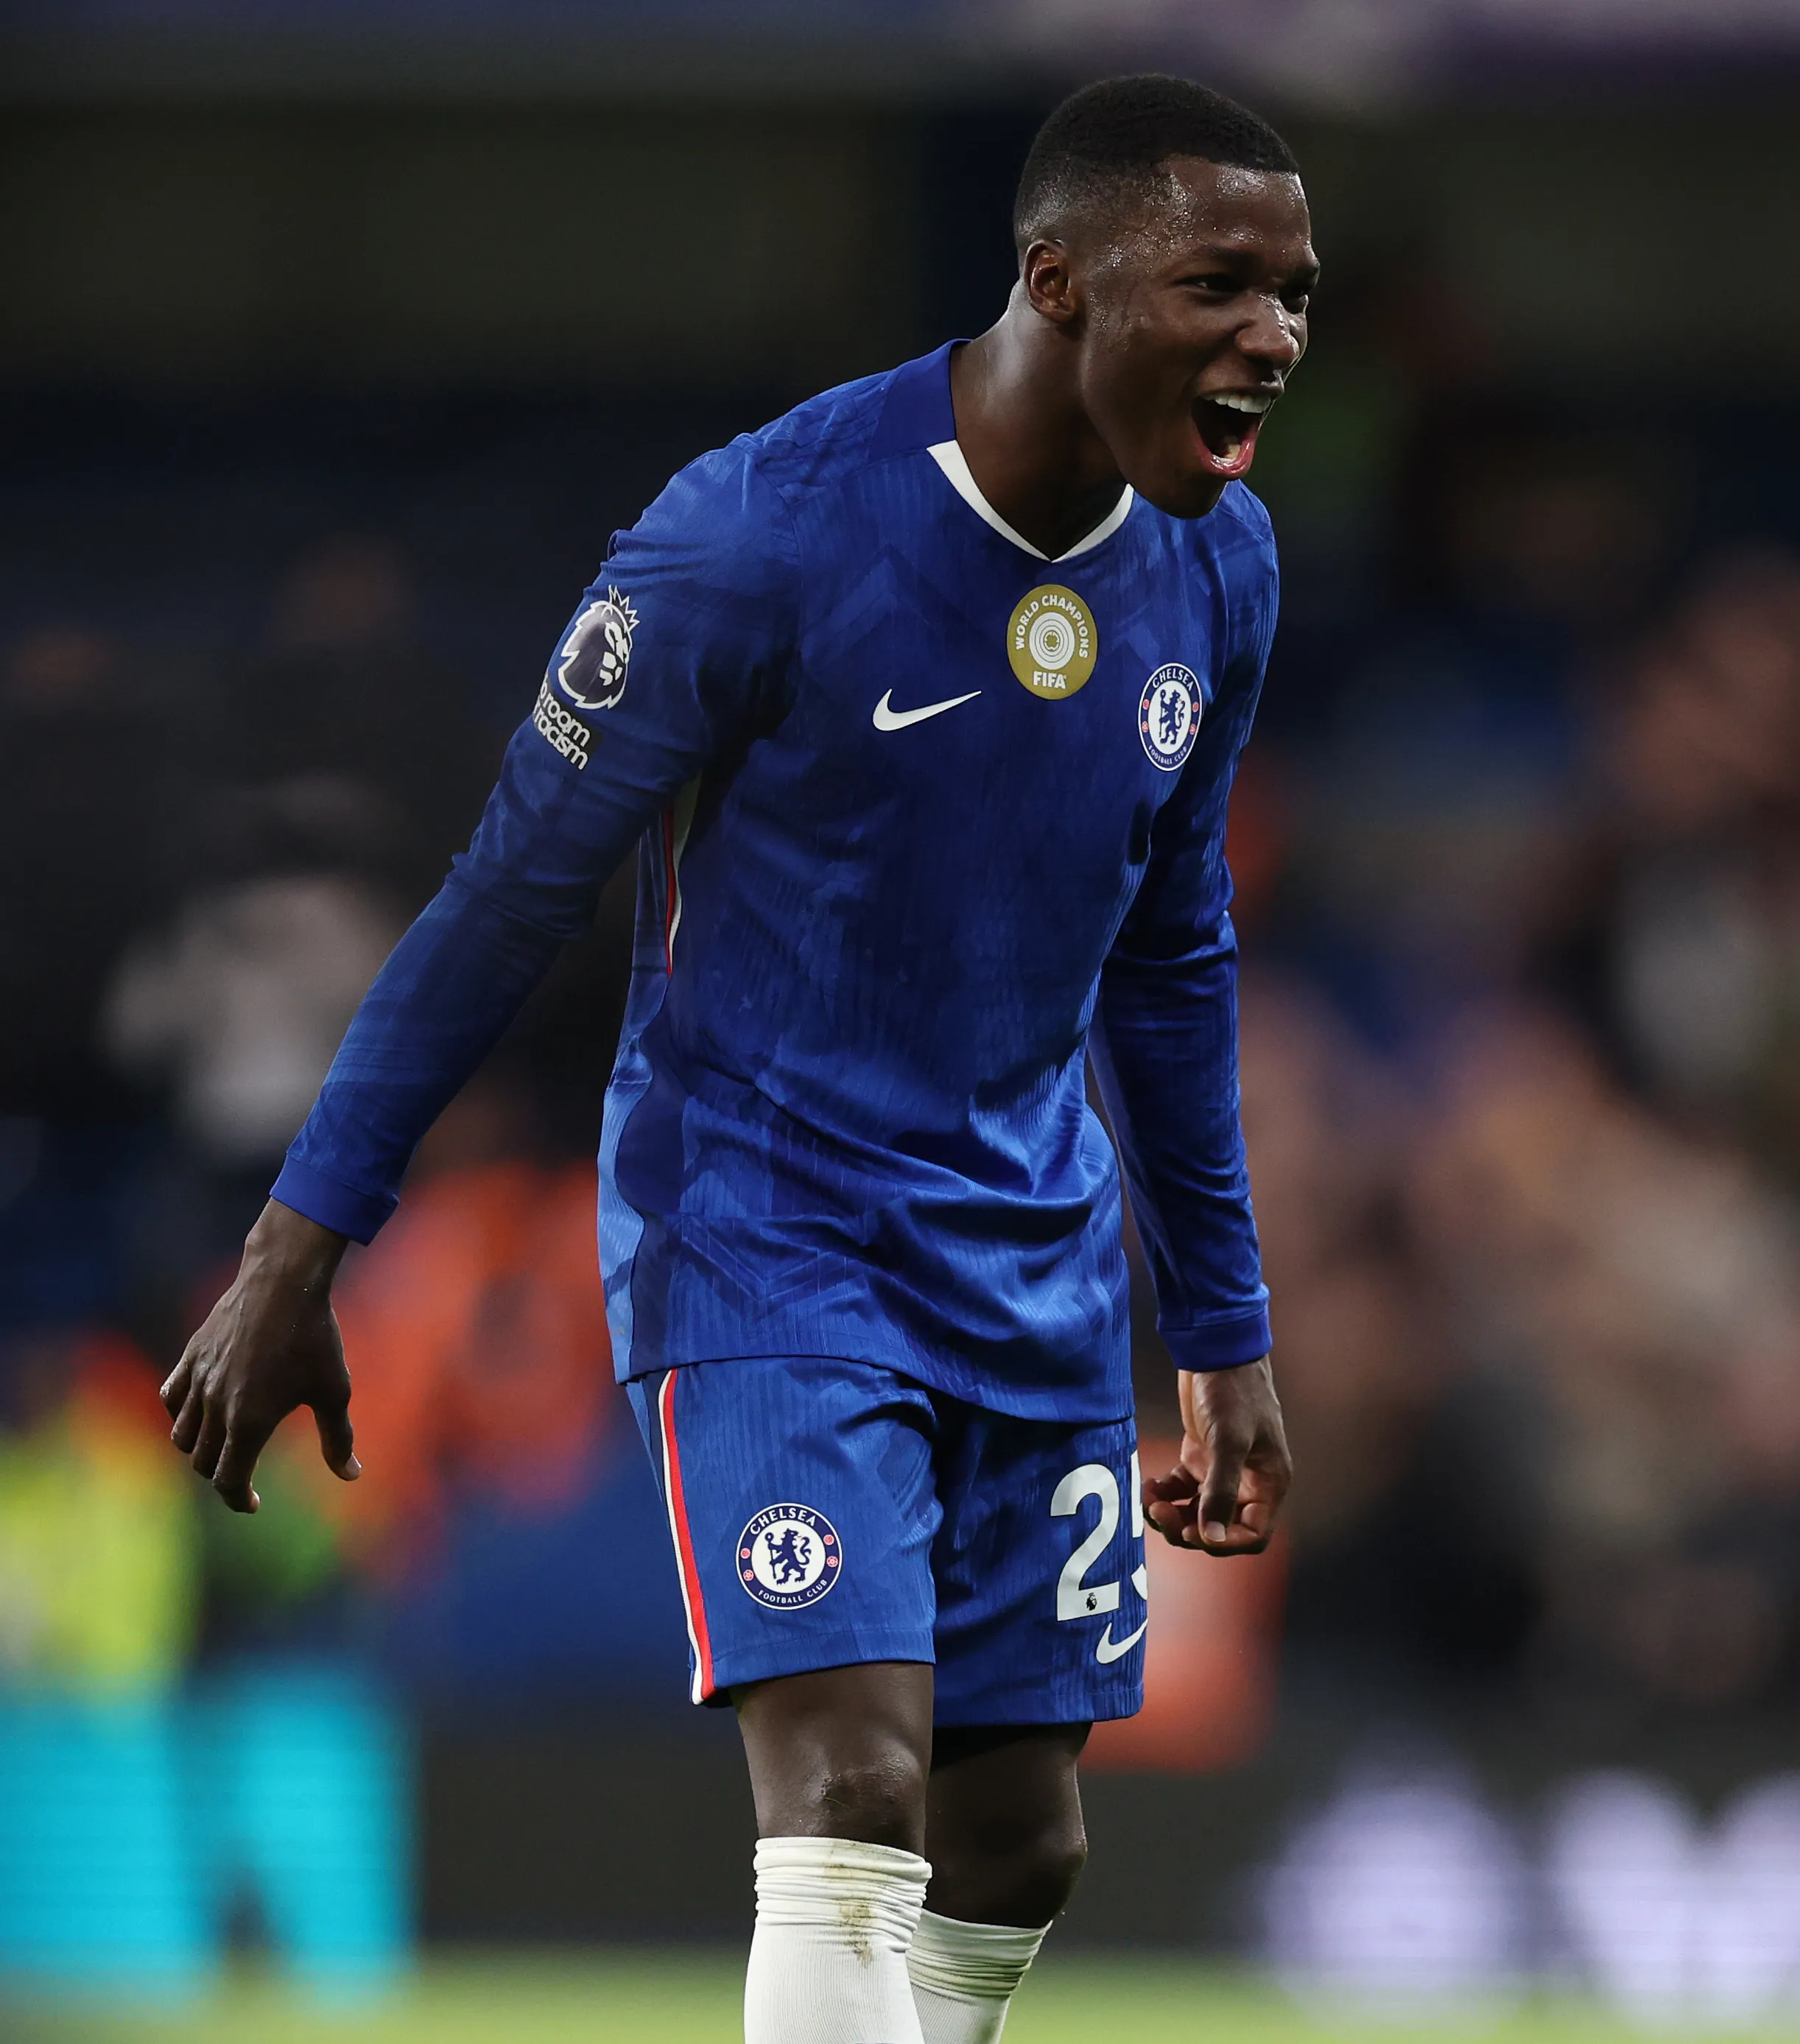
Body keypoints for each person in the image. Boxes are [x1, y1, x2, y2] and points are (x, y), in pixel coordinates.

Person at [158, 74, 1315, 2044]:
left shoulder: (1223, 570)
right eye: (1219, 286)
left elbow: (1171, 952)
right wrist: (297, 1248)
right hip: (765, 1235)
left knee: (1016, 1845)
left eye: (1296, 294)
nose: (1273, 340)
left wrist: (1222, 1328)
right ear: (1058, 278)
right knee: (850, 1801)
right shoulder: (758, 534)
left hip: (1031, 1252)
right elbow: (505, 898)